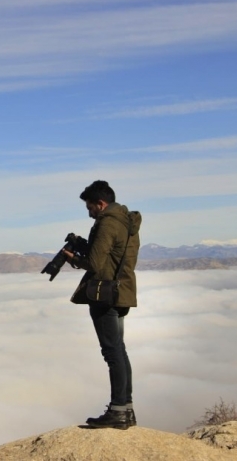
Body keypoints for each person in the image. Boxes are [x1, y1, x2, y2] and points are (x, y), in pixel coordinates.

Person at [63, 180, 141, 429]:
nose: (89, 213)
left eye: (90, 207)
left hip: (105, 294)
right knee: (119, 350)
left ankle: (118, 411)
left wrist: (73, 257)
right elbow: (110, 255)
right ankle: (125, 409)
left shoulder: (107, 223)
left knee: (112, 353)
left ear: (101, 203)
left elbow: (95, 264)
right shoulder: (126, 221)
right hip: (123, 291)